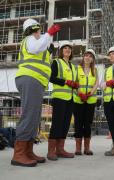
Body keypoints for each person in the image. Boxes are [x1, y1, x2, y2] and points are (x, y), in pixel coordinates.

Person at [11, 18, 60, 167]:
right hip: (30, 78)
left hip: (35, 80)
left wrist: (48, 46)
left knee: (34, 116)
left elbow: (40, 52)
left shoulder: (37, 41)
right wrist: (49, 34)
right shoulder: (30, 39)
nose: (40, 32)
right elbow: (35, 48)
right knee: (29, 115)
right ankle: (19, 154)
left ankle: (28, 151)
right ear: (34, 29)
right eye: (38, 30)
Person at [47, 41, 78, 160]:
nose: (67, 50)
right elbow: (52, 78)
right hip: (59, 97)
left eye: (69, 48)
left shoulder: (73, 66)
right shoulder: (56, 62)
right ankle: (51, 151)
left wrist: (75, 85)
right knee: (57, 124)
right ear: (61, 51)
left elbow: (74, 82)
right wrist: (65, 82)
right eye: (65, 48)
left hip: (71, 98)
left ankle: (60, 150)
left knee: (65, 124)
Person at [73, 49, 98, 155]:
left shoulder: (95, 70)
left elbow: (96, 83)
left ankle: (87, 148)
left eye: (90, 56)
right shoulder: (77, 69)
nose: (87, 57)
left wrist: (90, 93)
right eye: (86, 55)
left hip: (90, 100)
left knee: (88, 124)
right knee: (78, 124)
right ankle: (78, 148)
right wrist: (80, 93)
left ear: (92, 59)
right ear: (83, 57)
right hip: (78, 100)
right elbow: (74, 83)